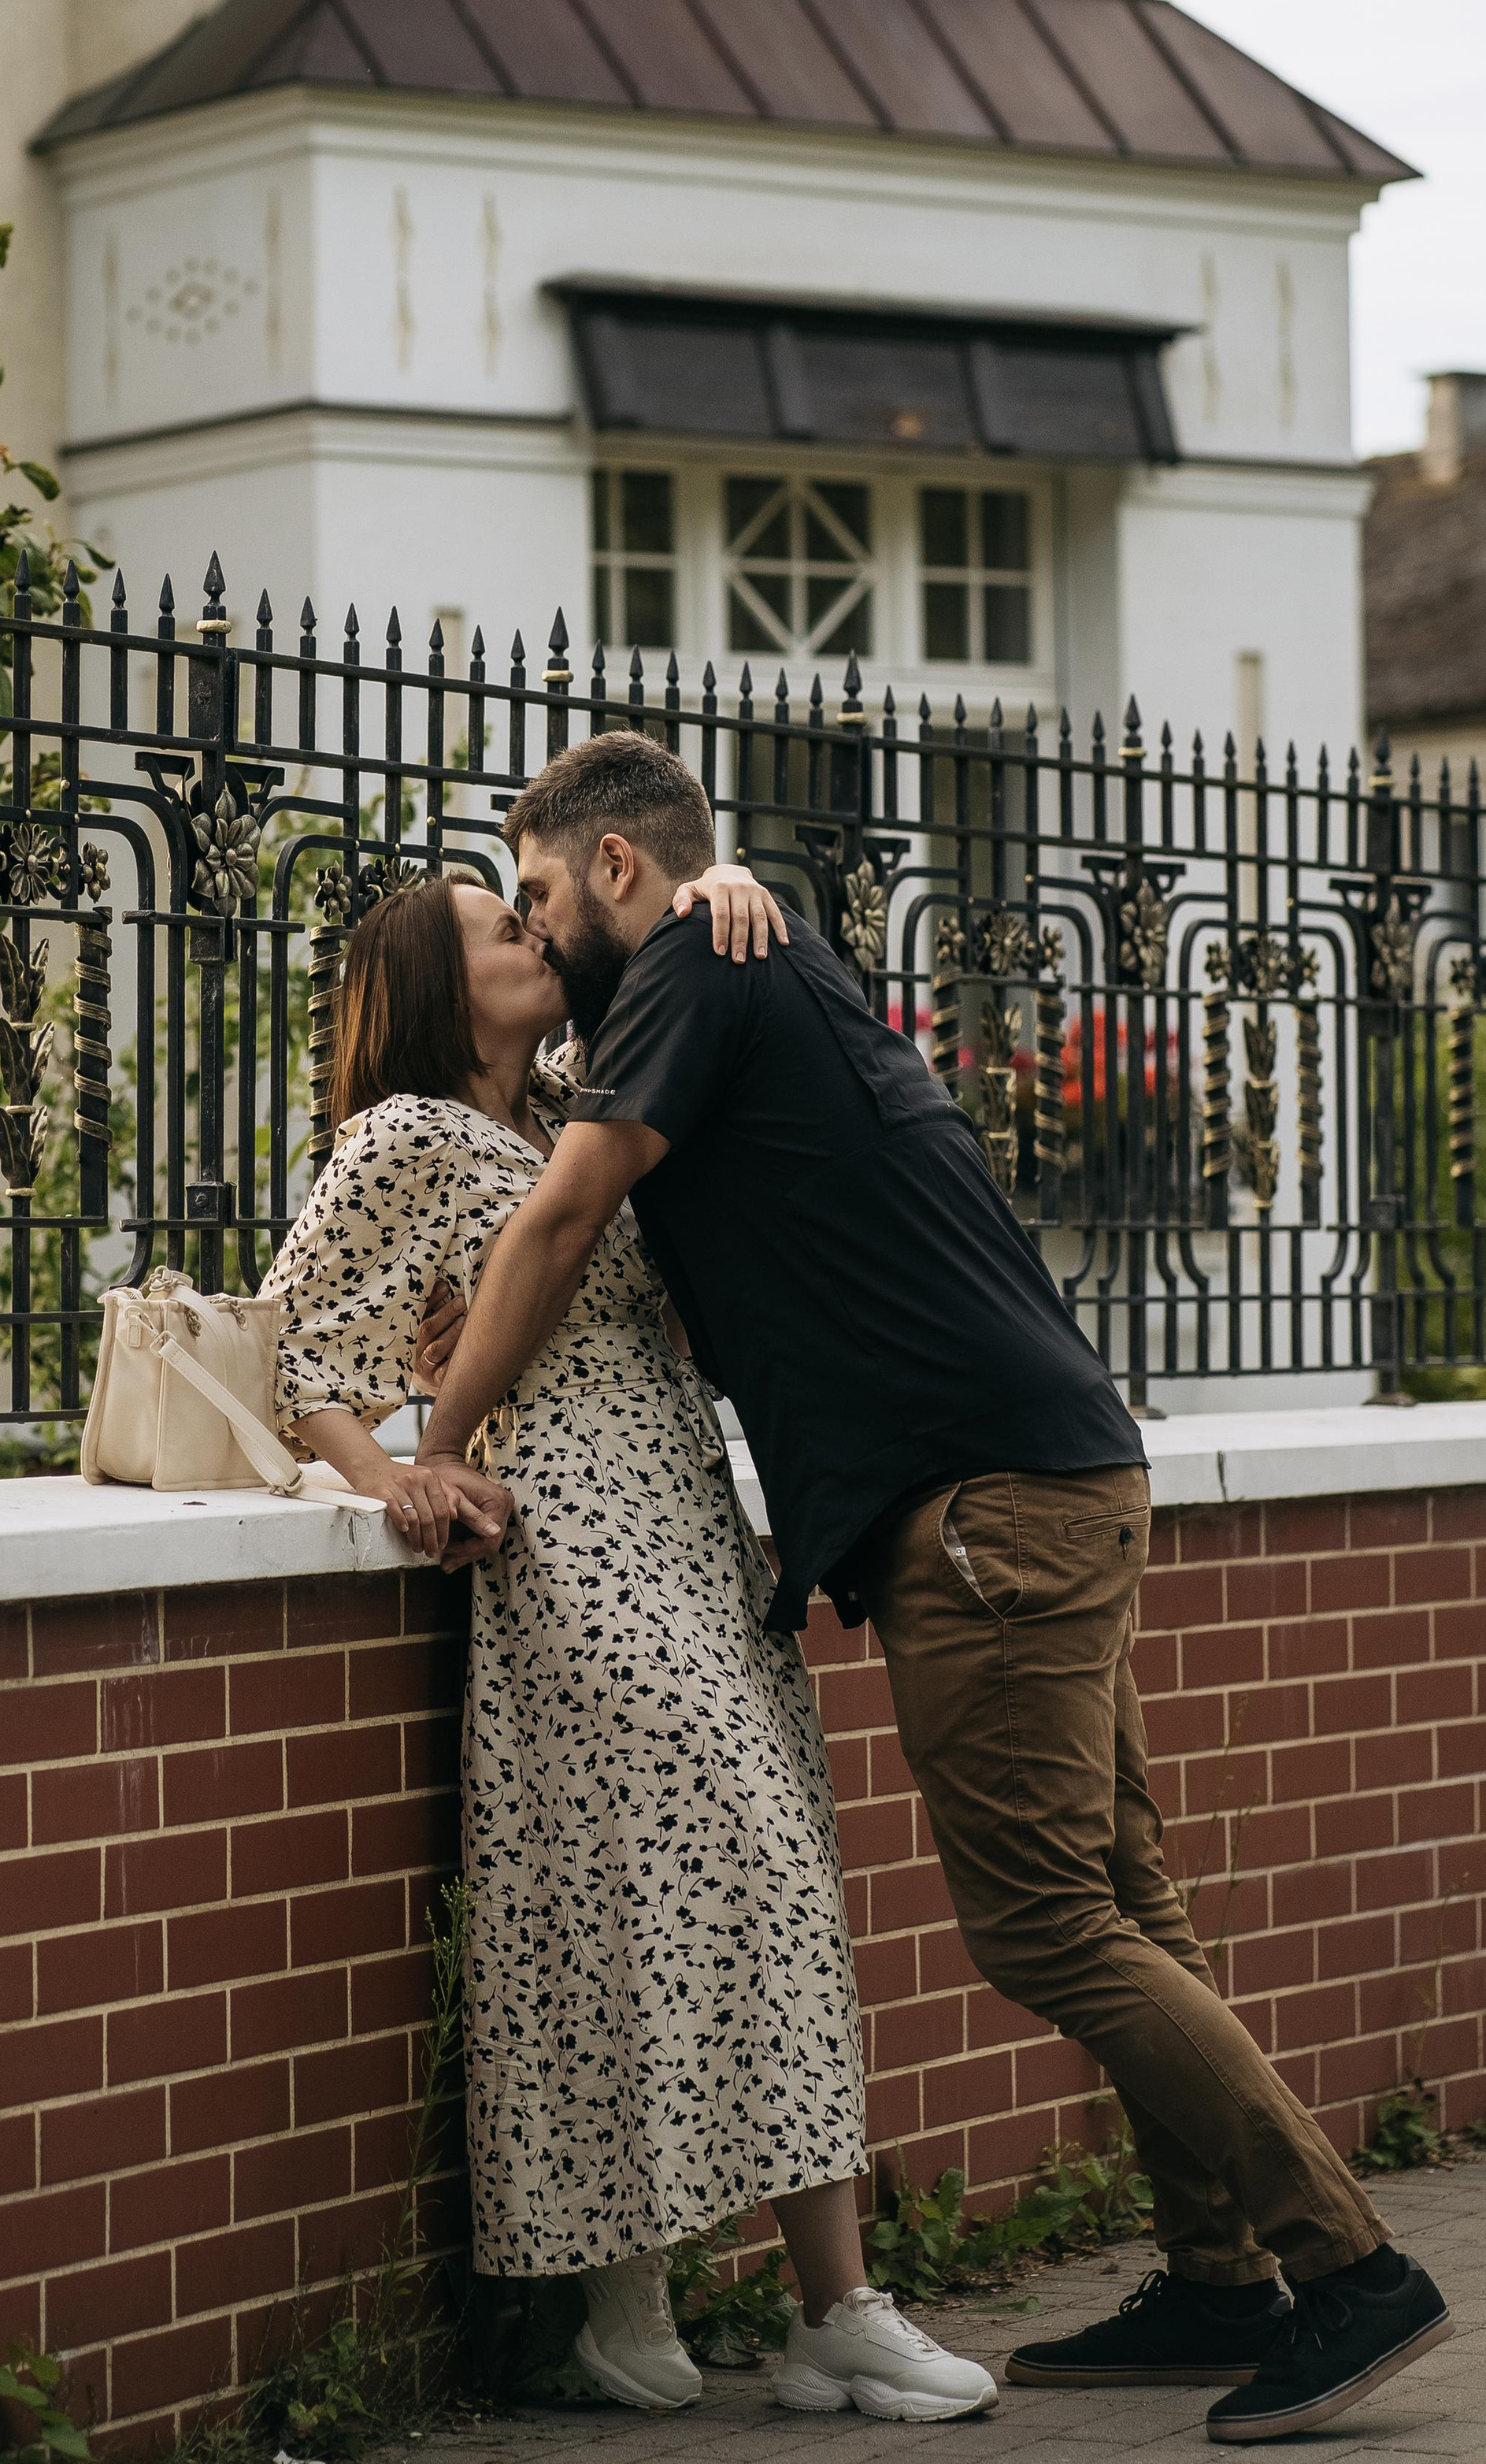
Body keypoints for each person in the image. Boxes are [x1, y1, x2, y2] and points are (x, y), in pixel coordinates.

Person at [413, 731, 1452, 2449]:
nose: (530, 926)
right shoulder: (744, 952)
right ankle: (1217, 2272)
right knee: (1121, 1891)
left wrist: (432, 1445)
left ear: (614, 870)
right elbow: (716, 1255)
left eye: (535, 889)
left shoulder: (688, 957)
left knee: (1048, 1918)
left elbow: (568, 1208)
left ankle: (1347, 2270)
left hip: (982, 1509)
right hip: (1049, 1470)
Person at [260, 862, 997, 2423]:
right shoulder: (401, 1134)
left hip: (686, 1513)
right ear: (424, 979)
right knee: (721, 1871)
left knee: (684, 1882)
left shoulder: (576, 1104)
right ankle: (785, 2302)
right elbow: (296, 1347)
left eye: (526, 907)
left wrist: (729, 879)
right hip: (568, 1541)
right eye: (493, 924)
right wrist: (401, 1470)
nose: (531, 932)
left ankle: (692, 2308)